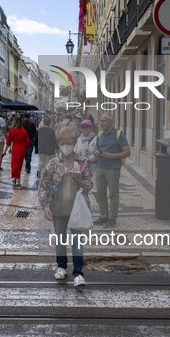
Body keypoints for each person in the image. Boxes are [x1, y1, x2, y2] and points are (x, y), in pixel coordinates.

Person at [38, 126, 92, 287]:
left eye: (69, 142)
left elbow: (89, 186)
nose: (66, 145)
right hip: (57, 208)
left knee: (77, 241)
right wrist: (45, 205)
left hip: (76, 209)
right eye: (62, 142)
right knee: (60, 239)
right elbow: (44, 185)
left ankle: (78, 273)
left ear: (75, 143)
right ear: (58, 143)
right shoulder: (53, 163)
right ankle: (61, 266)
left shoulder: (82, 162)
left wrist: (79, 179)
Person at [93, 113, 131, 228]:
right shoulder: (100, 134)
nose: (101, 123)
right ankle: (103, 215)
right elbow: (96, 148)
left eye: (104, 121)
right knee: (101, 193)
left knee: (113, 194)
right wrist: (95, 152)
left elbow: (128, 152)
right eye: (100, 121)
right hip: (100, 167)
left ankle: (112, 218)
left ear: (111, 122)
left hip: (113, 168)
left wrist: (113, 156)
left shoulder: (119, 134)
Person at [75, 119, 99, 204]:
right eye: (83, 127)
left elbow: (98, 153)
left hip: (93, 168)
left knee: (95, 189)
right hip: (81, 168)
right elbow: (75, 151)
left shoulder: (96, 139)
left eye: (87, 127)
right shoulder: (79, 139)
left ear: (91, 128)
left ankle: (103, 210)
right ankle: (85, 207)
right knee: (82, 188)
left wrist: (89, 159)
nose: (85, 128)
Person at [5, 117, 29, 189]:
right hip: (22, 149)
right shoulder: (24, 131)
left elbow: (8, 142)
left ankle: (18, 182)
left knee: (15, 165)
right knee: (19, 164)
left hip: (16, 148)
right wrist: (25, 148)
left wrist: (5, 150)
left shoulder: (12, 131)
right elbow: (27, 142)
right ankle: (15, 179)